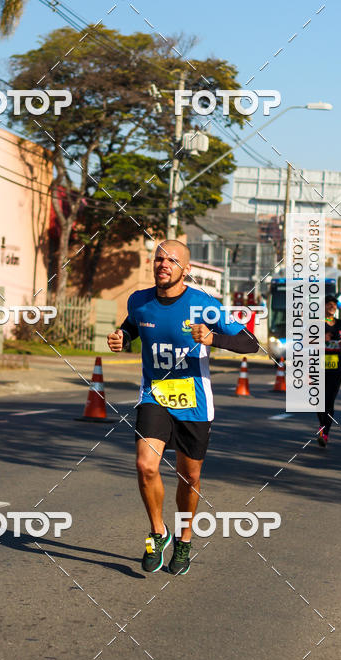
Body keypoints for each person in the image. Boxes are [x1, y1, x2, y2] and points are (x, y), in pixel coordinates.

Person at [107, 240, 258, 575]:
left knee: (189, 476)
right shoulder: (139, 300)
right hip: (155, 395)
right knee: (146, 466)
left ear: (186, 269)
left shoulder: (205, 305)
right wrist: (122, 337)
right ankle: (157, 532)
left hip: (194, 401)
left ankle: (184, 539)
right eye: (160, 259)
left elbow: (251, 343)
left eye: (172, 260)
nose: (164, 264)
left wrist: (214, 338)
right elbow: (134, 324)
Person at [317, 294, 341, 447]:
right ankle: (323, 428)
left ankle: (325, 432)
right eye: (329, 304)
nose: (332, 306)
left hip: (336, 367)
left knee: (329, 400)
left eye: (334, 305)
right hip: (319, 366)